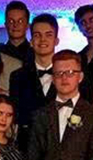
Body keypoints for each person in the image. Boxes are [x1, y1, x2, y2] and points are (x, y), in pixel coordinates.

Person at [9, 13, 59, 152]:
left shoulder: (67, 75)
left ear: (56, 40)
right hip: (27, 149)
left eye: (48, 35)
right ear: (31, 41)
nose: (42, 39)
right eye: (37, 35)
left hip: (62, 150)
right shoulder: (17, 77)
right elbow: (17, 117)